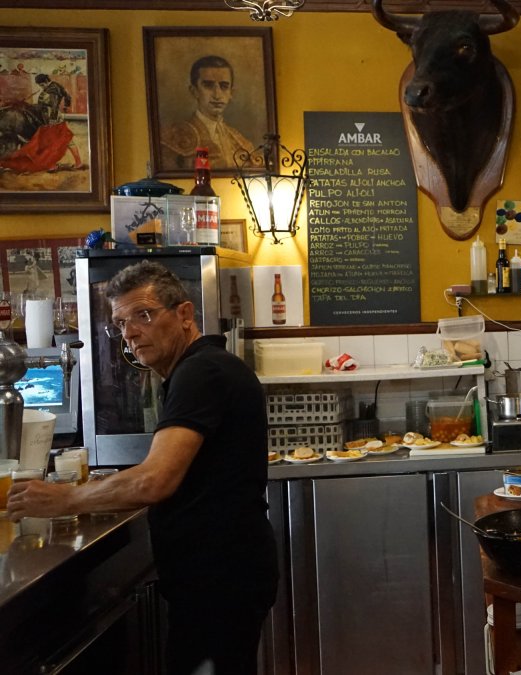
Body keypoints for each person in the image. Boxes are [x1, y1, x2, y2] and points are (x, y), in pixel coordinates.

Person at [7, 260, 278, 675]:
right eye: (120, 323)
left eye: (144, 315)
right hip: (223, 577)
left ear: (185, 315)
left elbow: (155, 480)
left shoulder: (201, 372)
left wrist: (64, 498)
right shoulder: (200, 370)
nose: (130, 333)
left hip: (219, 583)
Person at [160, 55, 256, 171]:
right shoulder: (173, 138)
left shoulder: (240, 141)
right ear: (194, 91)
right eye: (208, 86)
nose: (217, 95)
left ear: (231, 93)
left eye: (224, 86)